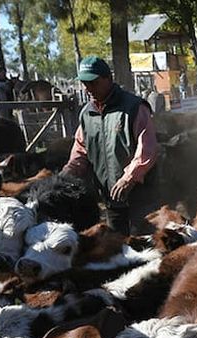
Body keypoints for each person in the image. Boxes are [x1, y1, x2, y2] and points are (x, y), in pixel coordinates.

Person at [62, 56, 159, 236]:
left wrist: (128, 178)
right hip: (111, 198)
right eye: (84, 83)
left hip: (140, 197)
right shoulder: (87, 114)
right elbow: (80, 151)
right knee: (117, 249)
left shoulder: (134, 107)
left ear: (108, 78)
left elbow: (147, 149)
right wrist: (66, 175)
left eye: (93, 82)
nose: (87, 88)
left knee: (147, 245)